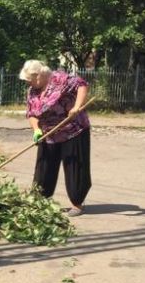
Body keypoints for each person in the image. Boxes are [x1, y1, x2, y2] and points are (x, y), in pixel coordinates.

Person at [19, 59, 91, 216]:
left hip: (73, 130)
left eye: (30, 80)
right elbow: (31, 113)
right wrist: (36, 129)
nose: (28, 84)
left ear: (38, 75)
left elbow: (82, 85)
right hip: (48, 133)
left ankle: (77, 203)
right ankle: (40, 201)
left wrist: (77, 107)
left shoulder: (60, 79)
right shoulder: (32, 91)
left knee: (74, 167)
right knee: (44, 167)